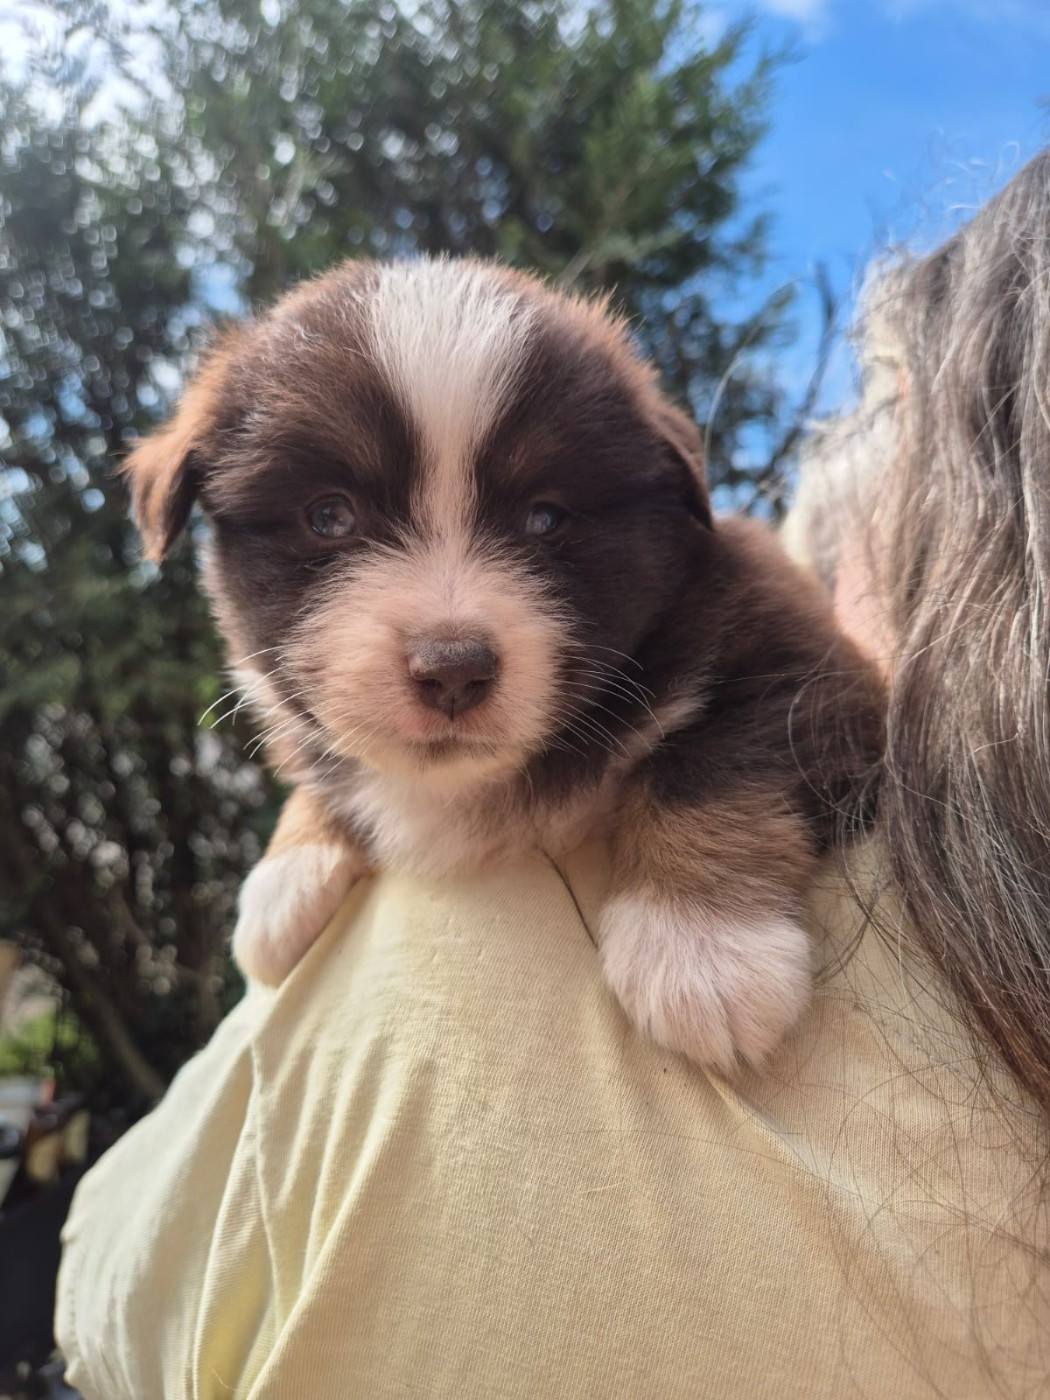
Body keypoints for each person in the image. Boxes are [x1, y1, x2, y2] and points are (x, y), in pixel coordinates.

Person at [55, 152, 1050, 1398]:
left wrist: (707, 871)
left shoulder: (720, 597)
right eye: (325, 521)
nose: (451, 628)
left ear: (663, 497)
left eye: (540, 522)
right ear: (200, 518)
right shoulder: (327, 732)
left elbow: (807, 693)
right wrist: (316, 816)